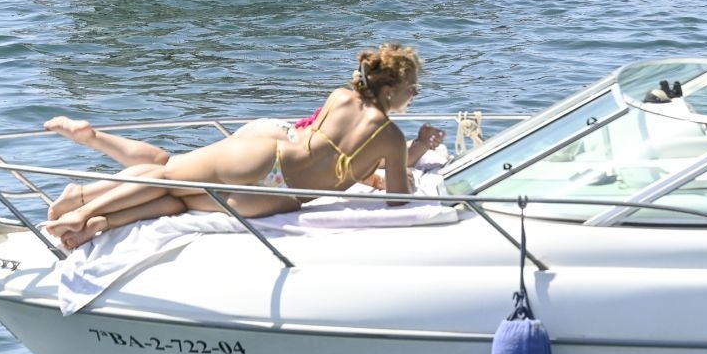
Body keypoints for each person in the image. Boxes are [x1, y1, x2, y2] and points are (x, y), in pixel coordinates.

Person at [42, 44, 445, 250]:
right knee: (176, 195)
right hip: (282, 198)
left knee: (169, 179)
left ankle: (88, 214)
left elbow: (326, 148)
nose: (415, 95)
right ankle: (92, 219)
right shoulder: (390, 137)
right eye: (413, 89)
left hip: (269, 159)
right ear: (391, 91)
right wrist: (411, 160)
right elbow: (396, 199)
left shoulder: (341, 97)